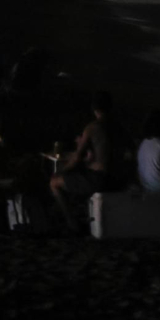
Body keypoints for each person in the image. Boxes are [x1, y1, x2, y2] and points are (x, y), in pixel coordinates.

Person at [49, 91, 117, 225]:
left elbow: (77, 157)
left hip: (99, 179)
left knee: (54, 182)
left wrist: (62, 170)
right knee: (77, 177)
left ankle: (71, 222)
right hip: (116, 176)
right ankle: (84, 215)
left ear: (94, 109)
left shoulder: (93, 127)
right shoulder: (118, 127)